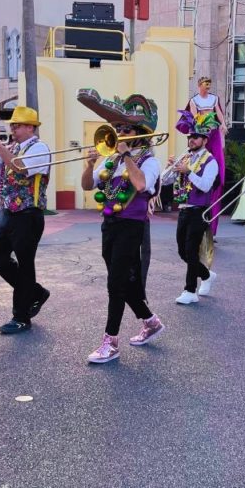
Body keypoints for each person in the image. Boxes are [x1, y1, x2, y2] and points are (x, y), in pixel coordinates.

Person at [78, 91, 164, 363]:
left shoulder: (149, 161)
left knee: (116, 283)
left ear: (139, 133)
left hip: (132, 226)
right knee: (126, 281)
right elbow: (87, 186)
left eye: (125, 129)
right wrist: (90, 162)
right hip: (109, 225)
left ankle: (110, 343)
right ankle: (151, 322)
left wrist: (126, 155)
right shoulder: (109, 160)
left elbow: (140, 185)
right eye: (117, 128)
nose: (119, 133)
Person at [0, 107, 52, 335]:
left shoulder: (39, 148)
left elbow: (19, 167)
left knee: (25, 263)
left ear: (30, 127)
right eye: (12, 126)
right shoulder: (14, 147)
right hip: (9, 213)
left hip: (29, 214)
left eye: (17, 126)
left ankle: (21, 317)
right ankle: (36, 292)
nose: (13, 130)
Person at [164, 111, 219, 305]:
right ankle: (206, 275)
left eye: (195, 137)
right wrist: (171, 167)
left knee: (191, 249)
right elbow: (166, 181)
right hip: (184, 209)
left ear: (204, 139)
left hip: (200, 210)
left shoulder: (211, 162)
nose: (191, 140)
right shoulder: (186, 157)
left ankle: (190, 290)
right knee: (182, 251)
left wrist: (189, 172)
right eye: (189, 137)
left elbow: (205, 186)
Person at [186, 76, 227, 236]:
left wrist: (222, 124)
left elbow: (219, 114)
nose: (207, 88)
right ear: (199, 86)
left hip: (214, 133)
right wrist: (201, 128)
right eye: (205, 85)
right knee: (198, 160)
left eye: (209, 85)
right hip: (203, 132)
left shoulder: (214, 98)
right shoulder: (194, 100)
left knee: (215, 162)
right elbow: (196, 117)